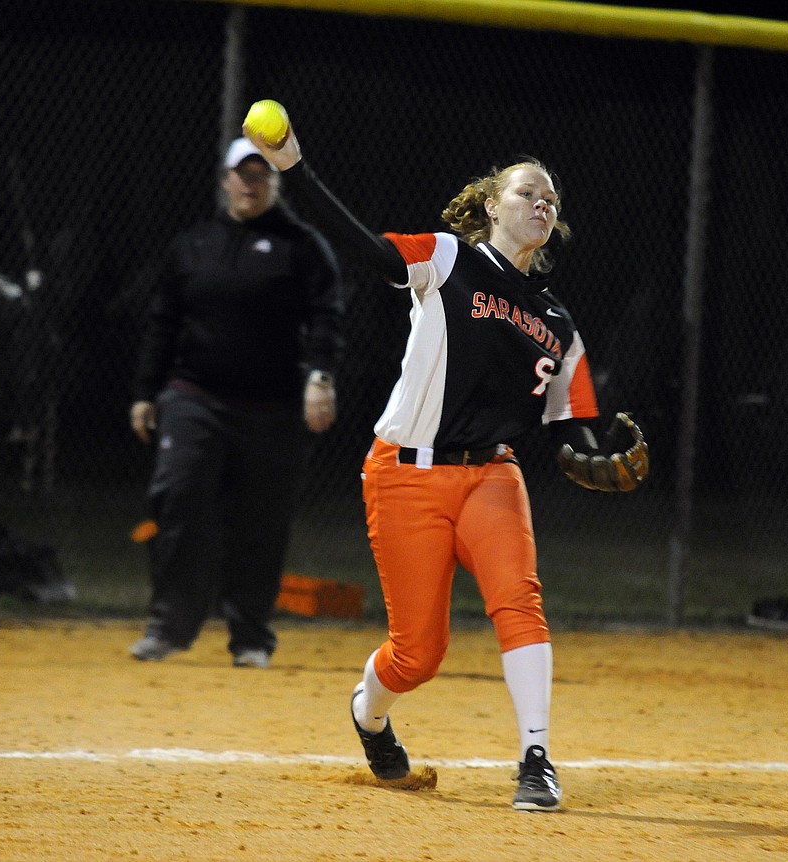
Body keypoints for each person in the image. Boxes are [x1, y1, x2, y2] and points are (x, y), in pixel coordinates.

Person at [244, 117, 648, 810]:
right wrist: (294, 168)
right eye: (528, 191)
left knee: (520, 602)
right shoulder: (449, 260)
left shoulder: (559, 324)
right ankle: (369, 715)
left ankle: (537, 759)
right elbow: (366, 250)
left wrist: (587, 456)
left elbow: (565, 427)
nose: (543, 202)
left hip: (493, 474)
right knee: (418, 654)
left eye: (551, 197)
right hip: (404, 472)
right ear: (494, 205)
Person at [128, 137, 343, 668]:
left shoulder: (303, 245)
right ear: (225, 180)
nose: (251, 183)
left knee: (261, 519)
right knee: (179, 496)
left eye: (261, 174)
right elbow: (163, 323)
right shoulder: (194, 246)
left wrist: (321, 376)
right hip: (195, 395)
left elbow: (327, 318)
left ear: (275, 182)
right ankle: (169, 626)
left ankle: (249, 635)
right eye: (242, 174)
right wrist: (144, 392)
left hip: (273, 405)